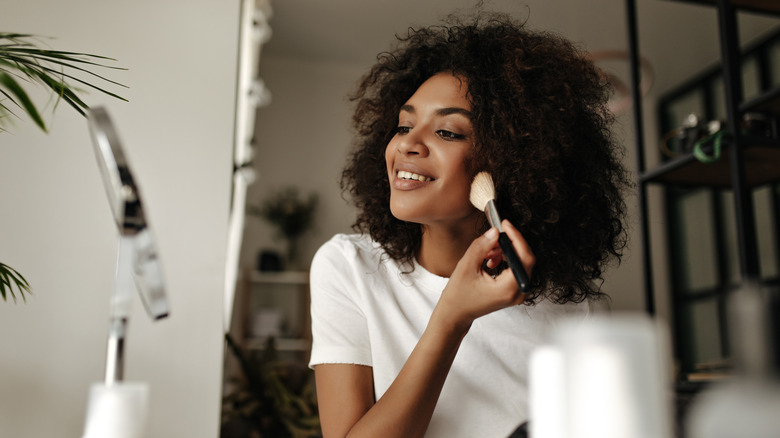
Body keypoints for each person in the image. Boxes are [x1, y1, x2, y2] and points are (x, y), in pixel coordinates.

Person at [308, 10, 631, 438]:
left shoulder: (569, 311)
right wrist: (451, 319)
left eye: (448, 132)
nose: (407, 142)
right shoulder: (349, 267)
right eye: (405, 124)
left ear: (514, 164)